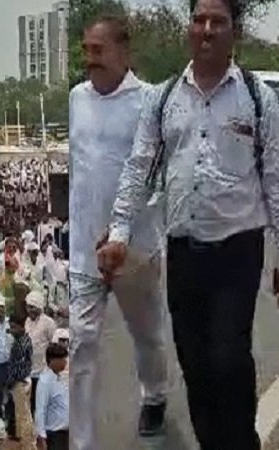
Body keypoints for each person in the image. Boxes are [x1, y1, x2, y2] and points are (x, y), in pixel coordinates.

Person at [97, 0, 279, 448]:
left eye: (218, 22)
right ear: (189, 28)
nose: (207, 29)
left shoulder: (256, 97)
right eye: (199, 20)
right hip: (183, 252)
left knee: (229, 359)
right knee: (195, 364)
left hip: (238, 249)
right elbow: (138, 167)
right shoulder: (164, 99)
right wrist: (119, 233)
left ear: (234, 32)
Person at [68, 15, 169, 448]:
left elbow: (157, 179)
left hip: (135, 248)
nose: (90, 59)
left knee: (146, 335)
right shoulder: (76, 98)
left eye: (99, 50)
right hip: (84, 250)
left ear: (124, 52)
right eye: (86, 50)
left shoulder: (150, 102)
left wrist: (122, 230)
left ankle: (155, 394)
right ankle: (82, 441)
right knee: (80, 343)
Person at [5, 313, 34, 450]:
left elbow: (17, 368)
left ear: (22, 327)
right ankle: (25, 443)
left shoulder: (20, 343)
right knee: (22, 414)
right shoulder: (24, 339)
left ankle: (29, 445)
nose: (12, 330)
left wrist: (9, 382)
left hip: (20, 381)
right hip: (24, 380)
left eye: (14, 327)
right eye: (11, 327)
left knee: (23, 416)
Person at [34, 343, 69, 450]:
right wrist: (41, 437)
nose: (65, 362)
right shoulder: (45, 382)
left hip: (65, 433)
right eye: (62, 359)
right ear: (53, 360)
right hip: (55, 435)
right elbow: (40, 410)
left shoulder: (59, 378)